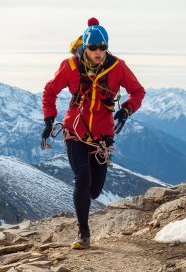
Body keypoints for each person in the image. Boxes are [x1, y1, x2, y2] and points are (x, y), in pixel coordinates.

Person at [41, 17, 145, 249]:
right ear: (85, 47)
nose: (98, 52)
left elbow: (138, 91)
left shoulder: (117, 67)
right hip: (74, 131)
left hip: (102, 136)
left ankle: (84, 220)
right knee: (82, 179)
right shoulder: (69, 66)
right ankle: (83, 233)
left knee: (95, 190)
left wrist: (127, 110)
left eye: (102, 47)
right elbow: (50, 91)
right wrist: (49, 120)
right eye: (93, 47)